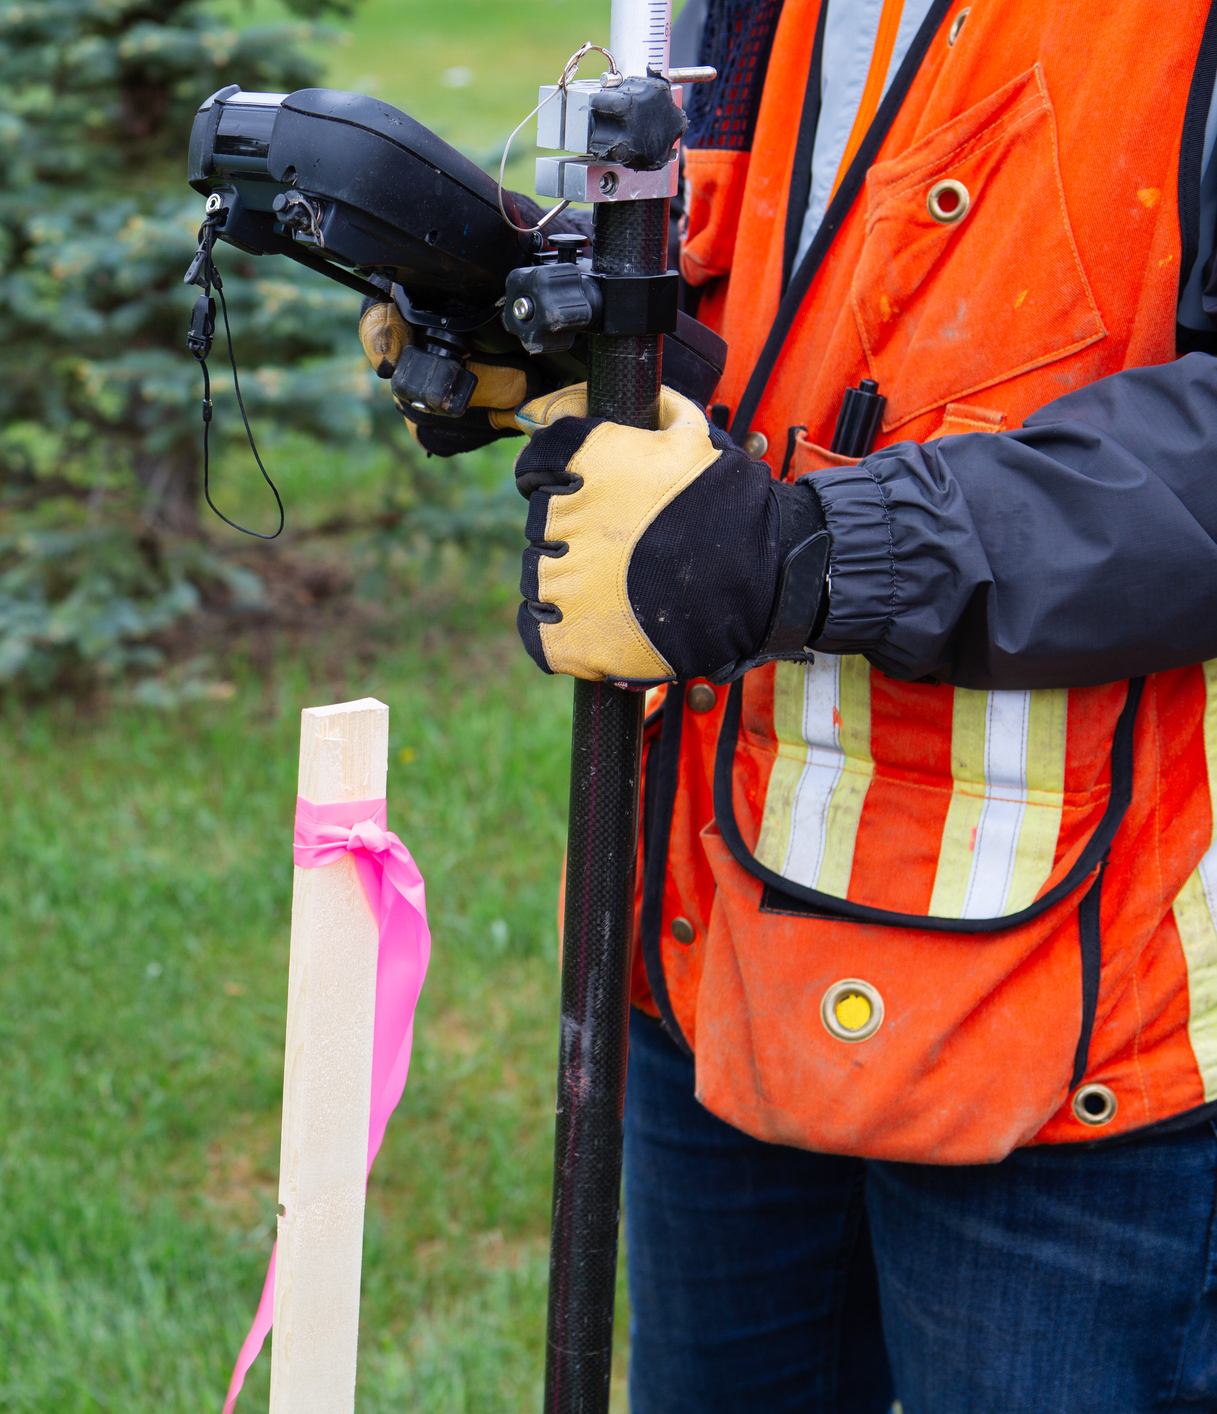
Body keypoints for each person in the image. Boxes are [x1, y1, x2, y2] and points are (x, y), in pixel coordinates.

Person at [362, 1, 1217, 1409]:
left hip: (1071, 1029)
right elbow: (800, 314)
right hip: (711, 942)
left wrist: (809, 550)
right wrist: (586, 347)